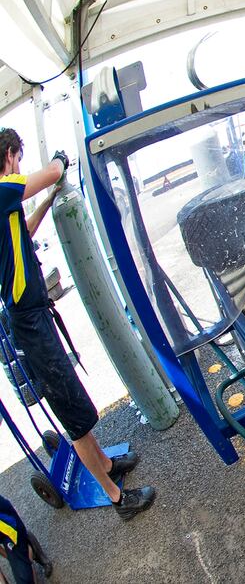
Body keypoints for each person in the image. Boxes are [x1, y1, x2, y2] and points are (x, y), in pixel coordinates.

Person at [0, 128, 155, 520]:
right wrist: (60, 163)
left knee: (76, 400)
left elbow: (26, 229)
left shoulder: (5, 207)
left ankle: (104, 463)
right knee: (73, 412)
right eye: (17, 158)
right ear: (11, 156)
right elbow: (51, 172)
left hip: (33, 317)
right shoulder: (1, 188)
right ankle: (118, 499)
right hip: (29, 324)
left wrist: (50, 200)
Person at [0, 495, 51, 583]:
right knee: (17, 562)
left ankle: (29, 548)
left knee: (24, 579)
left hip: (8, 527)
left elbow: (11, 530)